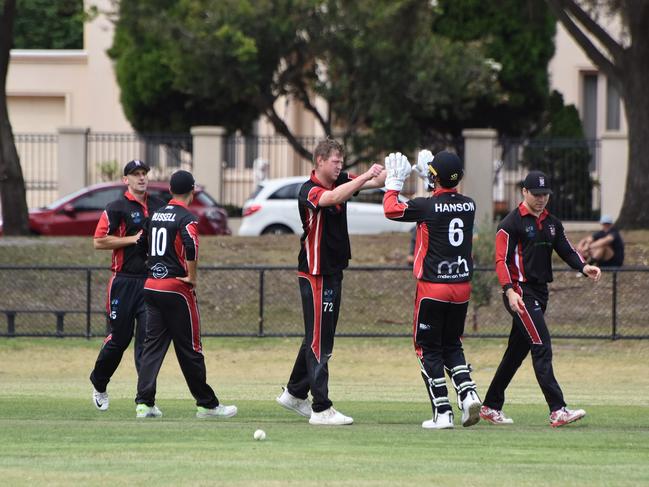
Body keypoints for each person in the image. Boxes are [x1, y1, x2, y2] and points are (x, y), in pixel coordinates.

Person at [276, 137, 385, 426]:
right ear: (320, 161)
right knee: (319, 340)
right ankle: (321, 407)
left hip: (334, 270)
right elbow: (334, 198)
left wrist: (402, 172)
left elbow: (375, 182)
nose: (339, 166)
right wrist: (365, 175)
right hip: (315, 273)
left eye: (341, 161)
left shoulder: (342, 180)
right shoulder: (309, 190)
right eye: (335, 161)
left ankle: (294, 393)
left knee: (319, 334)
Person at [480, 170, 601, 428]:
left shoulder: (552, 223)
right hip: (520, 293)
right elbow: (500, 260)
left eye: (545, 194)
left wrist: (583, 267)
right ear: (524, 192)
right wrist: (509, 290)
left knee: (515, 353)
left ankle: (490, 406)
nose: (541, 199)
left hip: (540, 293)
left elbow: (567, 249)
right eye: (536, 194)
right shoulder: (510, 224)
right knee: (541, 345)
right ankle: (557, 409)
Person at [382, 149, 482, 430]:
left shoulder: (425, 207)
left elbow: (392, 209)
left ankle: (443, 412)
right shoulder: (470, 204)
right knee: (452, 344)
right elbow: (446, 197)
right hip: (461, 287)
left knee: (427, 349)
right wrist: (432, 177)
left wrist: (394, 183)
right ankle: (467, 392)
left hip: (433, 288)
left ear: (435, 178)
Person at [134, 170, 237, 419]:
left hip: (151, 286)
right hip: (176, 289)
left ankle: (144, 404)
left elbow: (140, 242)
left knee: (152, 346)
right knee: (190, 348)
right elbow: (191, 245)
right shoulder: (187, 217)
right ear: (192, 192)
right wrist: (192, 277)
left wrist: (153, 267)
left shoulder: (155, 214)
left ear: (170, 190)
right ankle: (207, 405)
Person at [90, 159, 165, 411]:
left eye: (144, 173)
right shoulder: (116, 207)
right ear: (126, 180)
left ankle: (146, 401)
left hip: (151, 282)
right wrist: (132, 239)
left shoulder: (158, 205)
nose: (141, 178)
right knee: (119, 339)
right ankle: (99, 382)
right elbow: (99, 241)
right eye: (135, 174)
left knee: (147, 341)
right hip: (123, 282)